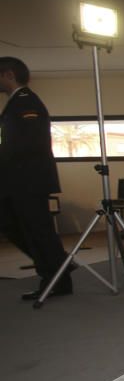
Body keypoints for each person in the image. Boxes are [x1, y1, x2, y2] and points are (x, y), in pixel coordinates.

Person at [0, 56, 72, 300]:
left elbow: (26, 144)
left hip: (28, 180)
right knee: (18, 226)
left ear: (9, 75)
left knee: (37, 230)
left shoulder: (25, 102)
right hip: (19, 181)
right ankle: (59, 267)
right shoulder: (16, 103)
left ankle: (56, 274)